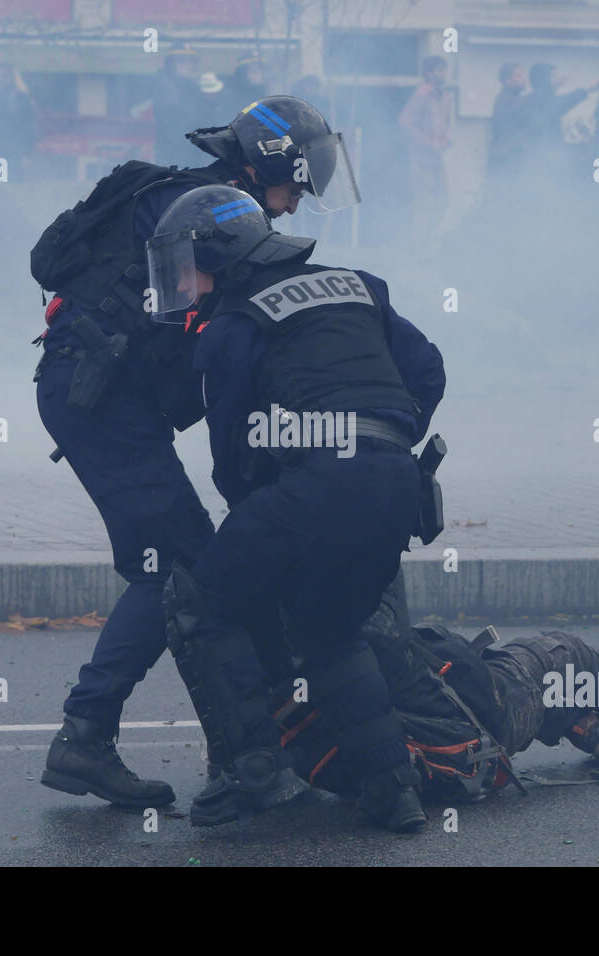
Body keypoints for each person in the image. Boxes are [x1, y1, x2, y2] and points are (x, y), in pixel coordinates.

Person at [31, 98, 361, 809]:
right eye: (296, 185)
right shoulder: (211, 212)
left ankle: (230, 744)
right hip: (100, 398)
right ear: (267, 166)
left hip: (103, 396)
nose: (297, 202)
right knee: (176, 570)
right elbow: (222, 325)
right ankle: (90, 737)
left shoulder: (199, 199)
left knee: (178, 567)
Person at [147, 185, 446, 831]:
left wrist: (265, 515)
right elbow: (427, 370)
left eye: (187, 267)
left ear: (222, 258)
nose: (184, 284)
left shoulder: (230, 326)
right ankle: (394, 792)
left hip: (316, 486)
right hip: (396, 482)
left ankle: (253, 770)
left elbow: (231, 450)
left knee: (201, 602)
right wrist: (386, 442)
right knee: (331, 632)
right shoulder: (359, 284)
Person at [277, 587, 599, 801]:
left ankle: (576, 719)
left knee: (509, 676)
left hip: (422, 770)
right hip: (481, 727)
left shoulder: (275, 673)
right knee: (563, 653)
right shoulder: (351, 617)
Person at [398, 56, 453, 240]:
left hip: (437, 157)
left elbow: (444, 124)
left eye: (444, 69)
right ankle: (417, 244)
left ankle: (430, 239)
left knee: (444, 200)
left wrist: (446, 139)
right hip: (422, 158)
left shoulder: (444, 96)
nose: (443, 73)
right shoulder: (422, 94)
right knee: (423, 202)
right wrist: (427, 142)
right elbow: (405, 122)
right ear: (429, 73)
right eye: (439, 70)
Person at [487, 62, 528, 182]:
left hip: (511, 155)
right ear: (507, 80)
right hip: (507, 157)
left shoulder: (516, 99)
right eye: (518, 76)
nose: (523, 79)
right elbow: (506, 131)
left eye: (523, 75)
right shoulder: (506, 101)